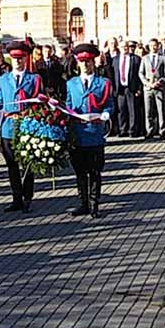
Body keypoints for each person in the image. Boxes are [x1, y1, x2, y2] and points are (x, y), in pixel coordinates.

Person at [0, 40, 42, 213]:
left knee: (28, 163)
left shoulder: (34, 79)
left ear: (26, 59)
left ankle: (28, 197)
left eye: (21, 58)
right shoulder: (4, 79)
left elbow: (38, 102)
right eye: (15, 59)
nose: (18, 62)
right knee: (11, 164)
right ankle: (16, 198)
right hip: (8, 127)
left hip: (26, 125)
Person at [65, 44, 113, 218]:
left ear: (93, 62)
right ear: (77, 63)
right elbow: (69, 105)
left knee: (94, 170)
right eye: (82, 62)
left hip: (94, 132)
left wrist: (106, 113)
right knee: (80, 171)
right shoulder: (71, 83)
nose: (85, 65)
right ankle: (83, 203)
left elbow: (109, 103)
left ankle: (94, 203)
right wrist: (68, 114)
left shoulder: (103, 83)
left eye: (88, 61)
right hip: (78, 132)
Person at [139, 38, 165, 139]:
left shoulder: (163, 58)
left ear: (158, 46)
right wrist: (147, 83)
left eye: (155, 45)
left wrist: (160, 82)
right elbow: (140, 73)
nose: (153, 47)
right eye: (151, 45)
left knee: (161, 110)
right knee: (148, 110)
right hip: (147, 88)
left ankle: (162, 131)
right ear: (149, 46)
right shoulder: (144, 58)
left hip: (159, 88)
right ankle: (150, 130)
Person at [113, 40, 142, 137]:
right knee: (121, 110)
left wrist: (139, 88)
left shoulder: (135, 59)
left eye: (126, 46)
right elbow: (113, 75)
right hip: (120, 88)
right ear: (119, 48)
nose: (124, 48)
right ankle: (122, 129)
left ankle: (132, 130)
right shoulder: (115, 59)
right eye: (122, 47)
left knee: (132, 109)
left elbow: (139, 75)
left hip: (132, 88)